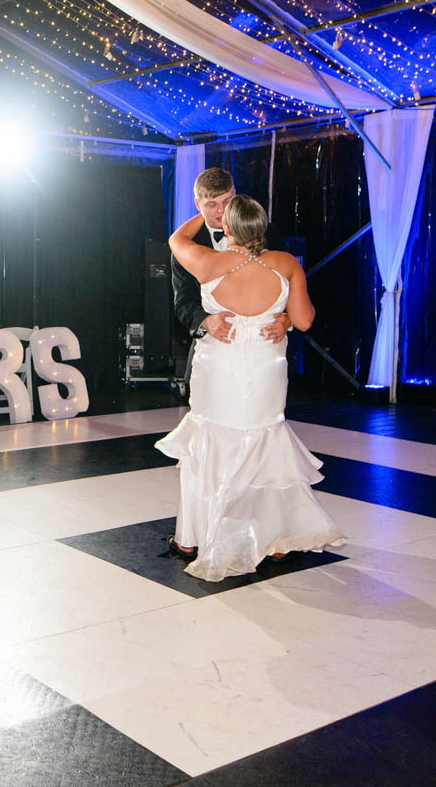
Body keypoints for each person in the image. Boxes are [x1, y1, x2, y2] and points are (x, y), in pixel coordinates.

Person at [158, 194, 344, 581]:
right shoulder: (286, 264)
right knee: (264, 446)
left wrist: (204, 211)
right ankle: (274, 542)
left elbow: (176, 240)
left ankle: (193, 538)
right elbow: (306, 321)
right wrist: (286, 322)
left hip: (218, 369)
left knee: (208, 443)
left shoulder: (209, 262)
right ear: (261, 226)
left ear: (227, 228)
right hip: (263, 369)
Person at [173, 168, 291, 362]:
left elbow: (290, 285)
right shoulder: (187, 246)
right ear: (197, 204)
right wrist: (205, 321)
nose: (221, 211)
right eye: (211, 204)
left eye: (227, 201)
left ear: (235, 195)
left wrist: (288, 319)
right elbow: (183, 301)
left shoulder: (266, 231)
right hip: (212, 351)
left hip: (265, 350)